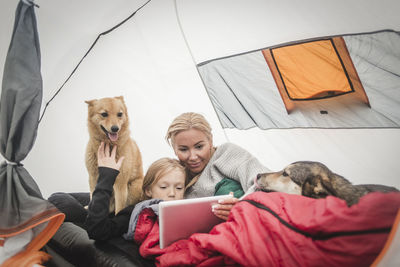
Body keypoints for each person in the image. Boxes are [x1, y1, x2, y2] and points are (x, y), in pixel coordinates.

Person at [165, 112, 270, 220]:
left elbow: (264, 182)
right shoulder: (173, 175)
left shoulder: (226, 153)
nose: (193, 157)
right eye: (183, 149)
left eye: (199, 147)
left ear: (210, 140)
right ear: (174, 148)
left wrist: (243, 206)